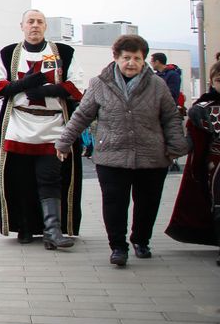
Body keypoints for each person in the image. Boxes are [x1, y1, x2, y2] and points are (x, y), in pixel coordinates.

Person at [55, 34, 187, 266]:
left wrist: (176, 146)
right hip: (112, 155)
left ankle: (141, 240)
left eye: (137, 58)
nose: (131, 63)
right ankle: (118, 246)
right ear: (116, 58)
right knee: (114, 203)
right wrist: (64, 141)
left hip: (151, 156)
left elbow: (170, 118)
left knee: (148, 203)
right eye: (126, 57)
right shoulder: (99, 83)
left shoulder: (157, 85)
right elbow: (82, 115)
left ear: (144, 60)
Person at [0, 9, 83, 248]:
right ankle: (25, 227)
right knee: (20, 179)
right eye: (30, 21)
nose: (35, 26)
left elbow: (77, 85)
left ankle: (52, 230)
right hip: (19, 124)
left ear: (45, 26)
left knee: (50, 177)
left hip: (54, 125)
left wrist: (49, 90)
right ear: (22, 25)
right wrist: (21, 84)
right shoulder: (9, 54)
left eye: (40, 22)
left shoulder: (64, 53)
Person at [167, 60, 220, 262]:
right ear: (212, 82)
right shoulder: (203, 109)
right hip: (215, 164)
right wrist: (171, 152)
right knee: (218, 206)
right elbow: (192, 141)